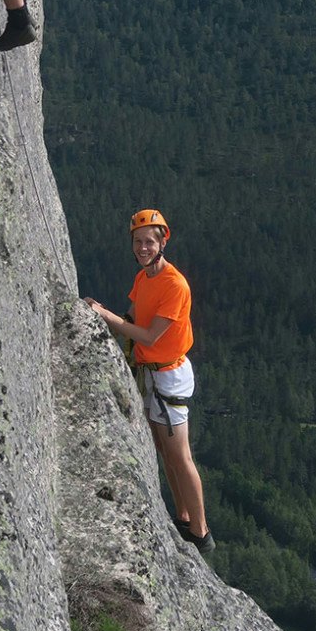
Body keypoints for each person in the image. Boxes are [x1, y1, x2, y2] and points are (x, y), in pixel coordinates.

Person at [85, 209, 214, 554]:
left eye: (149, 242)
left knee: (179, 455)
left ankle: (201, 533)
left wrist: (105, 316)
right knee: (165, 453)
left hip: (168, 375)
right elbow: (134, 316)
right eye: (138, 242)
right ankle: (183, 516)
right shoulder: (144, 278)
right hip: (153, 374)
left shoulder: (174, 284)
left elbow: (151, 336)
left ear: (162, 242)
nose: (142, 247)